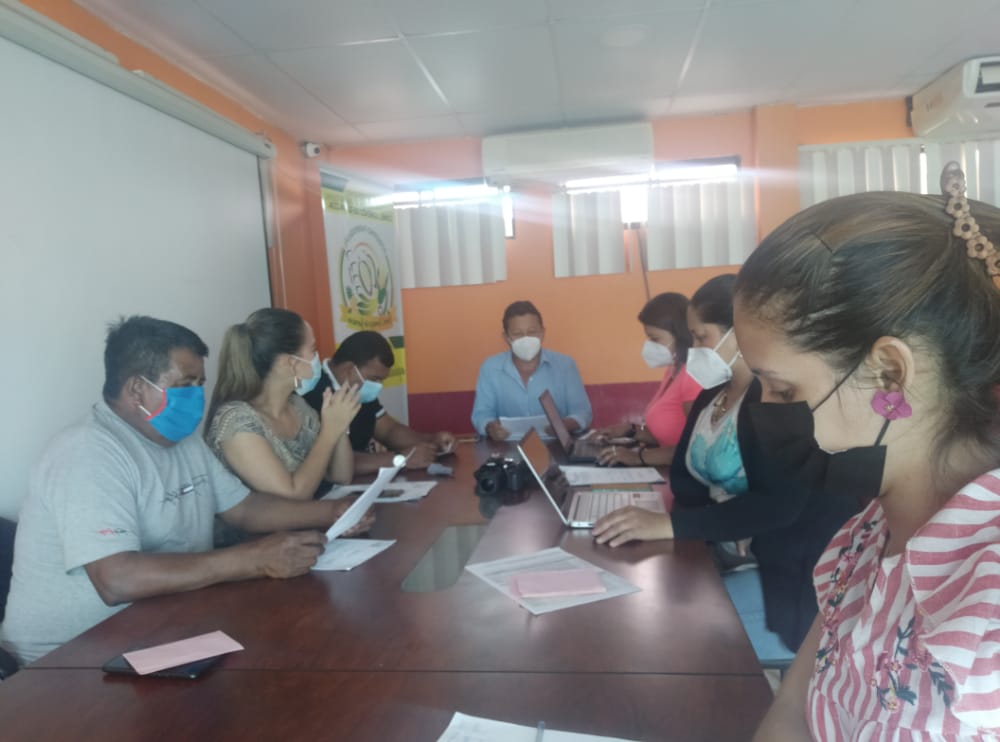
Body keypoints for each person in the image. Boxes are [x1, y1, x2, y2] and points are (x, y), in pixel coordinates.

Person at [744, 167, 1000, 739]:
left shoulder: (989, 601)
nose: (764, 409)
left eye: (782, 389)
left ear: (889, 374)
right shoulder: (866, 535)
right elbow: (794, 712)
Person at [0, 316, 372, 666]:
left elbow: (245, 508)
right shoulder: (87, 452)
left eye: (199, 384)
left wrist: (332, 512)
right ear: (136, 389)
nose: (197, 396)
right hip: (70, 660)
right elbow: (116, 578)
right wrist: (254, 559)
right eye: (185, 385)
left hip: (162, 628)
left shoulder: (183, 441)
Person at [593, 275, 860, 654]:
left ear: (742, 332)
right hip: (726, 551)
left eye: (701, 337)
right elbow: (686, 482)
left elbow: (781, 505)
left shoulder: (781, 399)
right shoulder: (710, 398)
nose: (694, 349)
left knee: (666, 629)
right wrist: (670, 518)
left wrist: (672, 525)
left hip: (787, 576)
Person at [205, 308, 359, 501]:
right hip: (264, 522)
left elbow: (340, 475)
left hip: (307, 518)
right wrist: (329, 431)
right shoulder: (236, 421)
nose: (317, 359)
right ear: (289, 362)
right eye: (312, 350)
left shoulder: (297, 406)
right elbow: (292, 495)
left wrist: (339, 426)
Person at [303, 331, 455, 473]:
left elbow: (388, 430)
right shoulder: (312, 393)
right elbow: (328, 461)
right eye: (374, 379)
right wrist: (399, 459)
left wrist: (431, 441)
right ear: (350, 369)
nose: (378, 386)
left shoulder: (359, 391)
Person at [594, 292, 701, 467]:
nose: (649, 345)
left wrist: (638, 457)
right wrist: (632, 430)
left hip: (685, 475)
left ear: (680, 335)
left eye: (655, 339)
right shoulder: (673, 370)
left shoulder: (693, 376)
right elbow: (667, 434)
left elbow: (697, 447)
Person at [471, 300, 592, 441]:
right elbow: (481, 415)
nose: (526, 339)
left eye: (532, 332)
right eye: (517, 333)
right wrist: (490, 428)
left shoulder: (565, 365)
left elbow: (583, 413)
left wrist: (563, 426)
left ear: (542, 333)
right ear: (506, 337)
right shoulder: (490, 368)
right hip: (507, 447)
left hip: (557, 445)